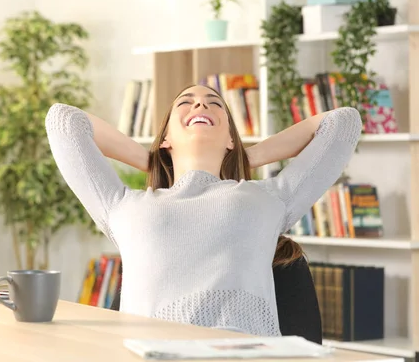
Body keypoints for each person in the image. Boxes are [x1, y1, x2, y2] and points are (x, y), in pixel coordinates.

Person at [45, 84, 361, 337]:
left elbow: (343, 123)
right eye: (186, 102)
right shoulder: (124, 205)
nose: (200, 105)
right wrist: (152, 158)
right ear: (166, 137)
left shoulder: (268, 199)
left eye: (214, 102)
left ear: (230, 139)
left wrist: (245, 156)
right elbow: (63, 121)